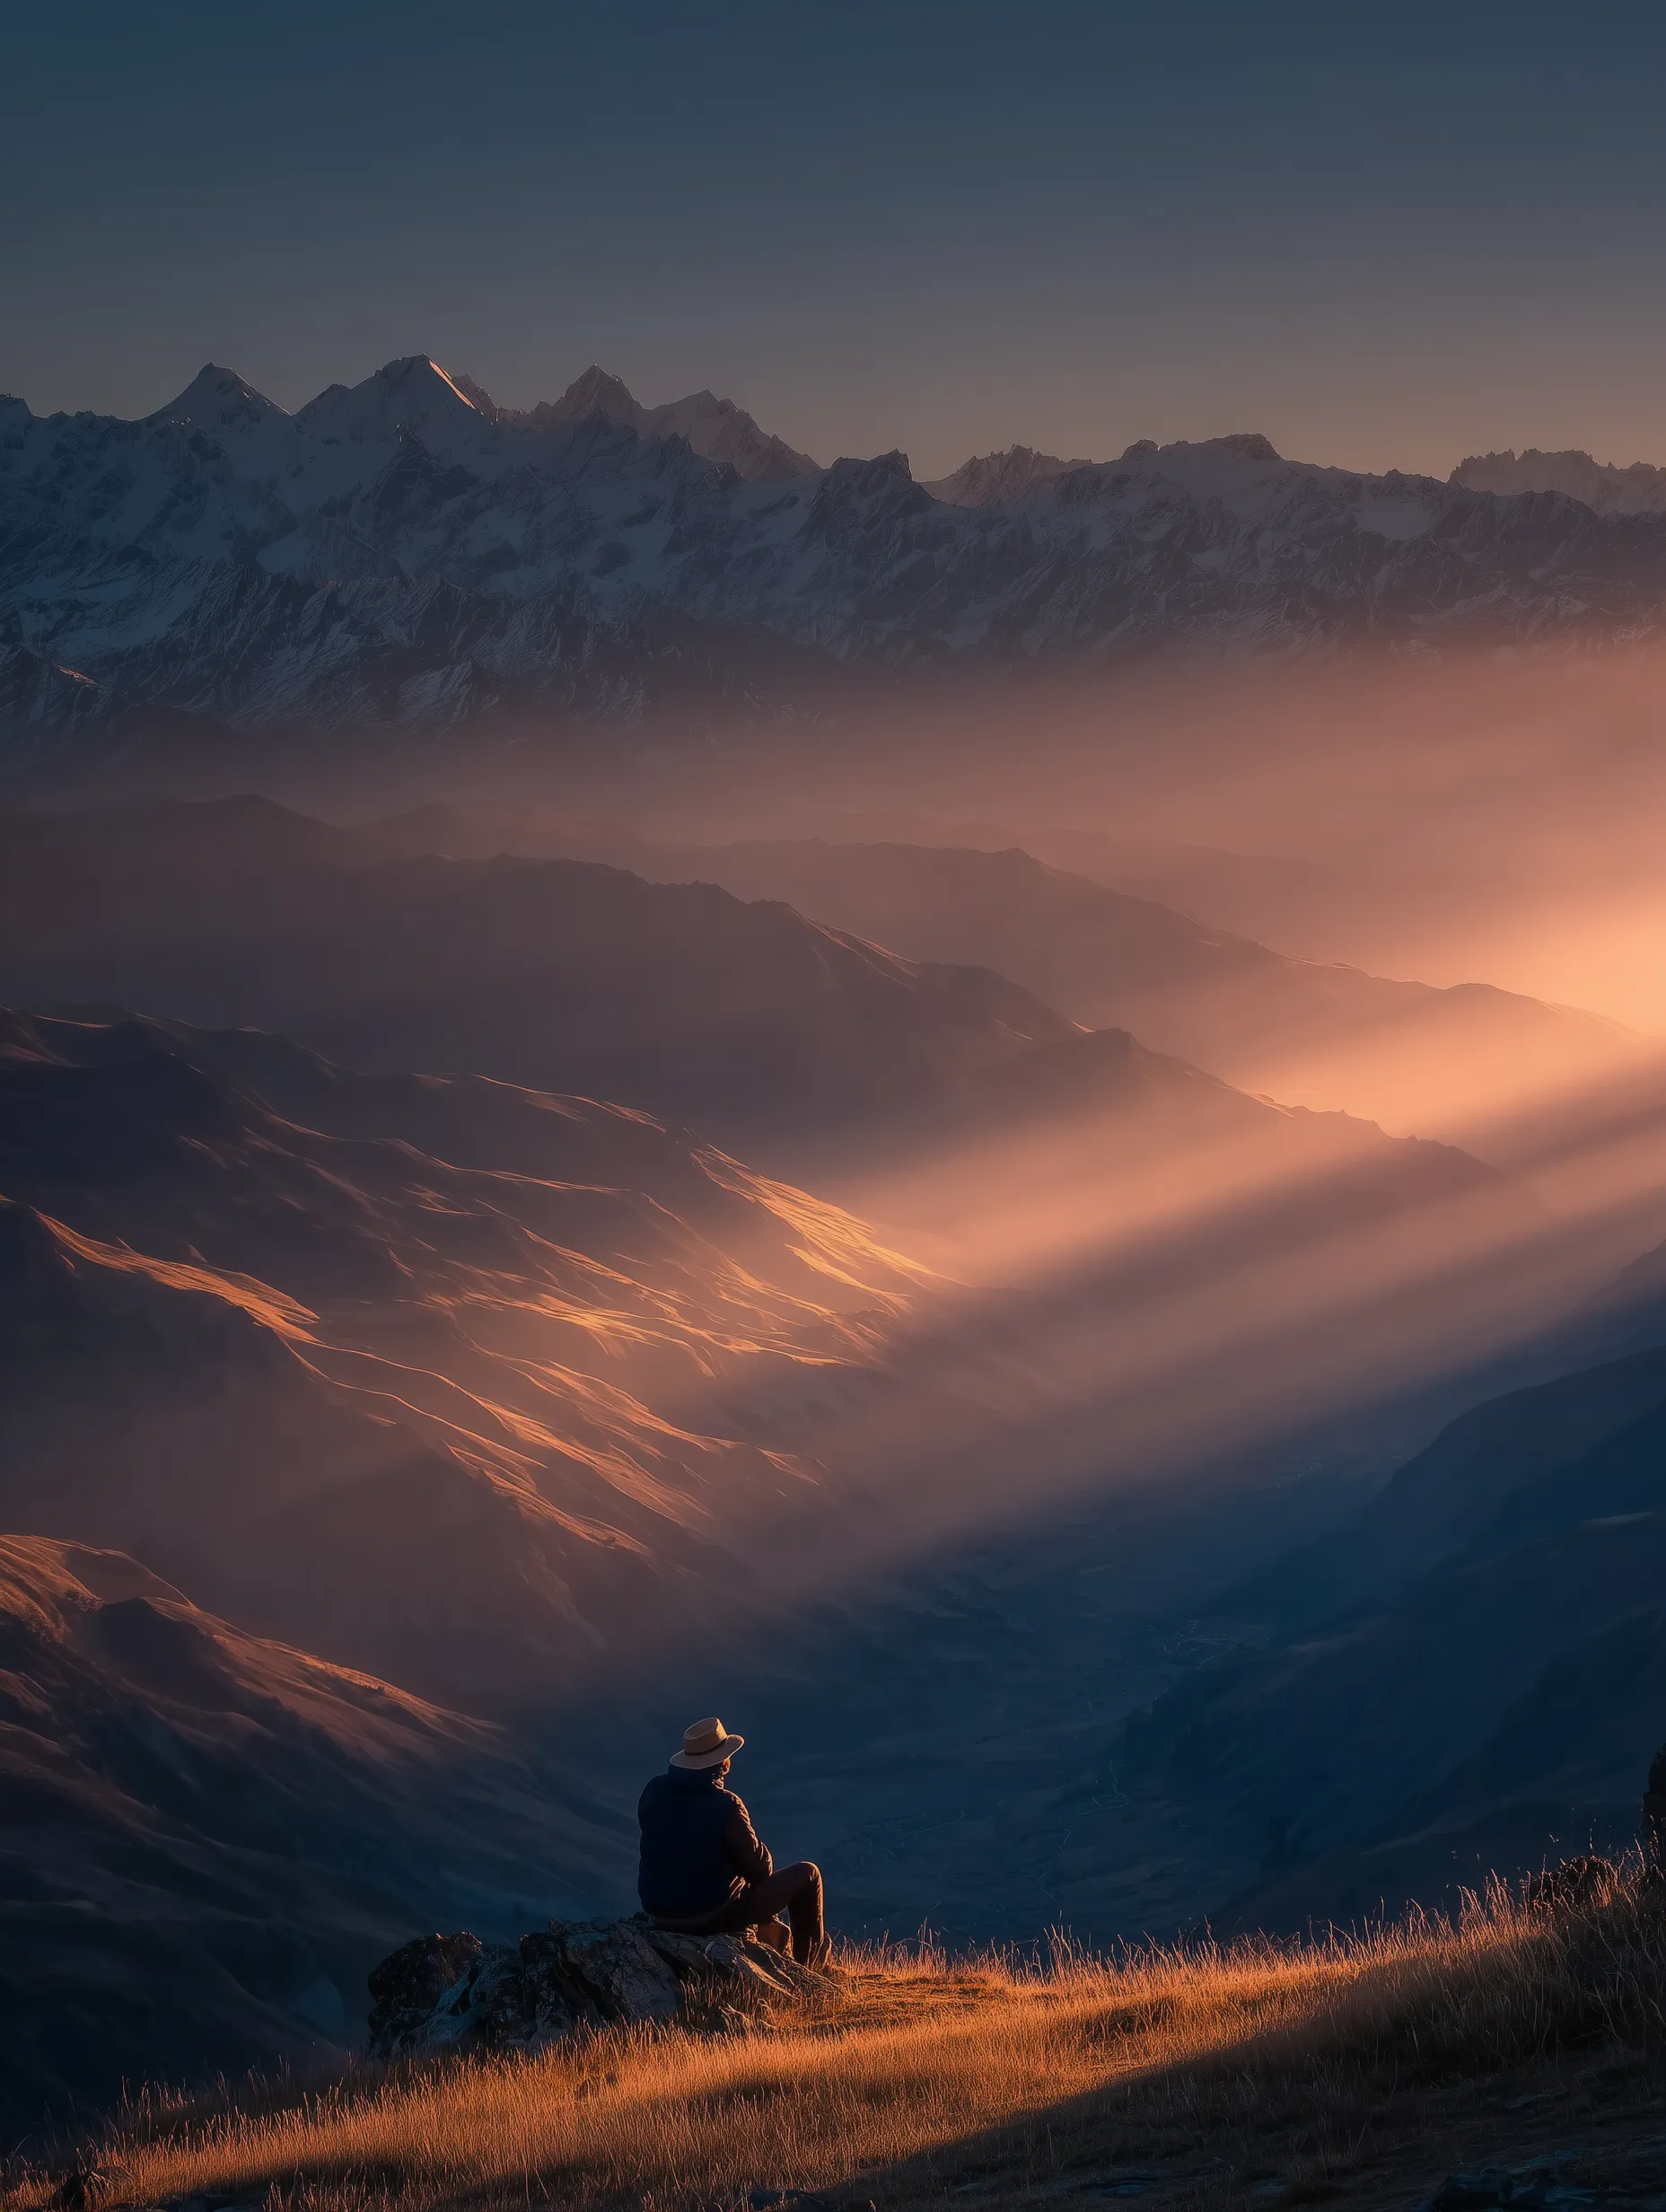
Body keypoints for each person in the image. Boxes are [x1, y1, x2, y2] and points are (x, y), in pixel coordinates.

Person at [637, 1716, 829, 1965]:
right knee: (807, 1874)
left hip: (658, 1912)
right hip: (708, 1915)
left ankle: (774, 1938)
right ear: (723, 1763)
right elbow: (760, 1870)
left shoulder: (654, 1790)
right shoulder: (725, 1804)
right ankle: (811, 1967)